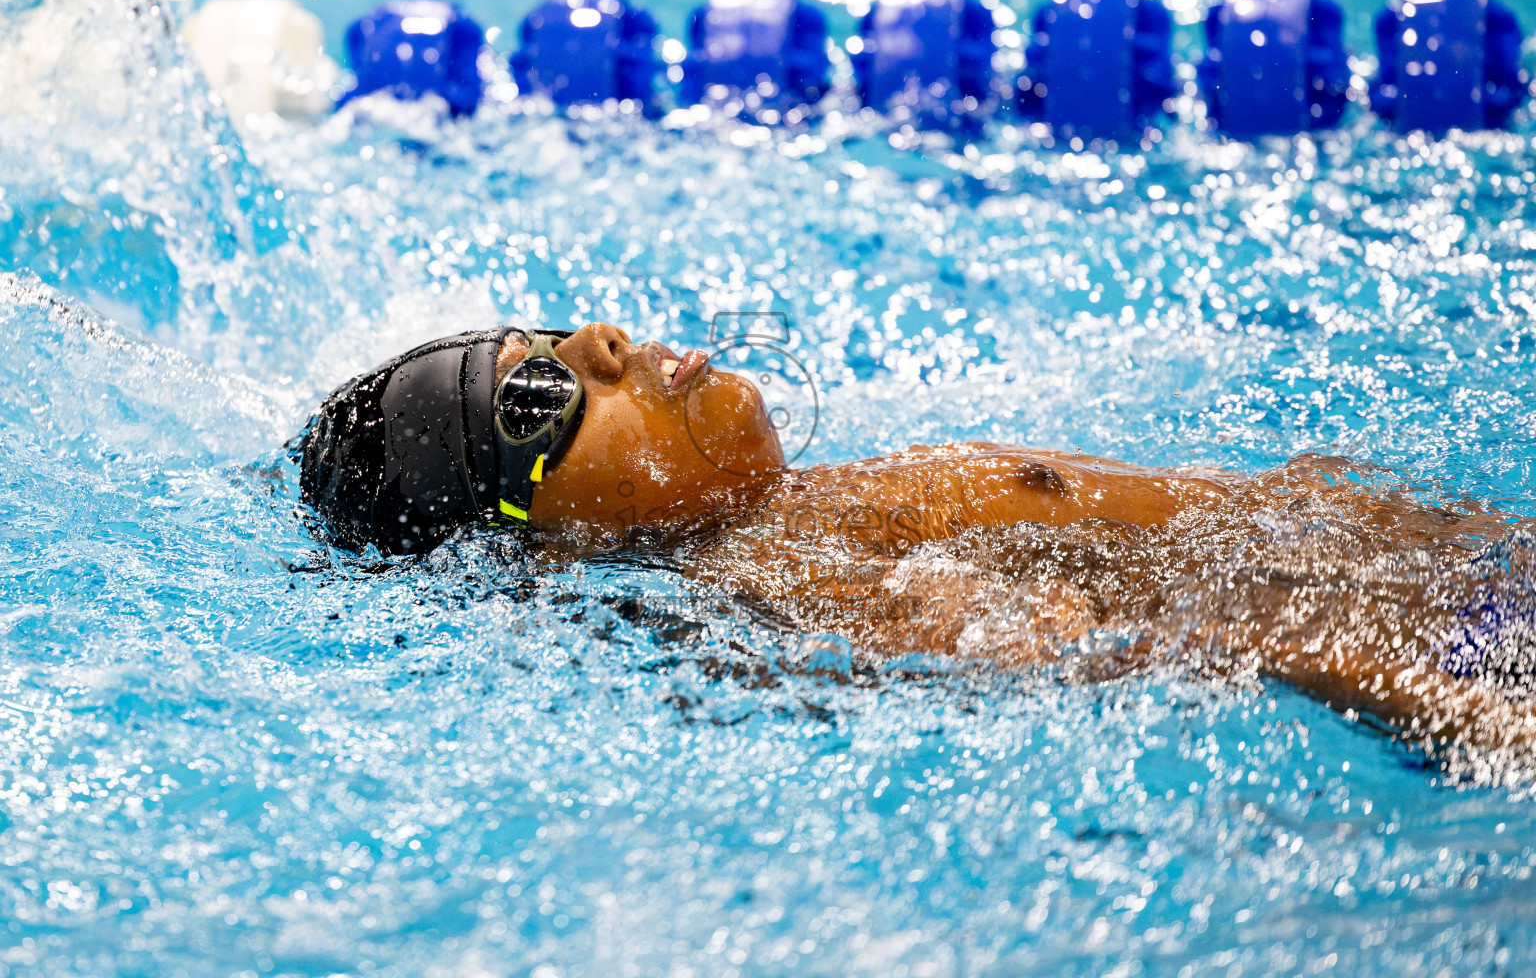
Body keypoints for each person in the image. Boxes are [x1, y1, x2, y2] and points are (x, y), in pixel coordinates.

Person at [296, 323, 1536, 750]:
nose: (608, 344)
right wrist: (1471, 705)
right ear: (542, 549)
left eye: (561, 332)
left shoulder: (807, 514)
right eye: (542, 400)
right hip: (1462, 663)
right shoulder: (792, 591)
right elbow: (1190, 646)